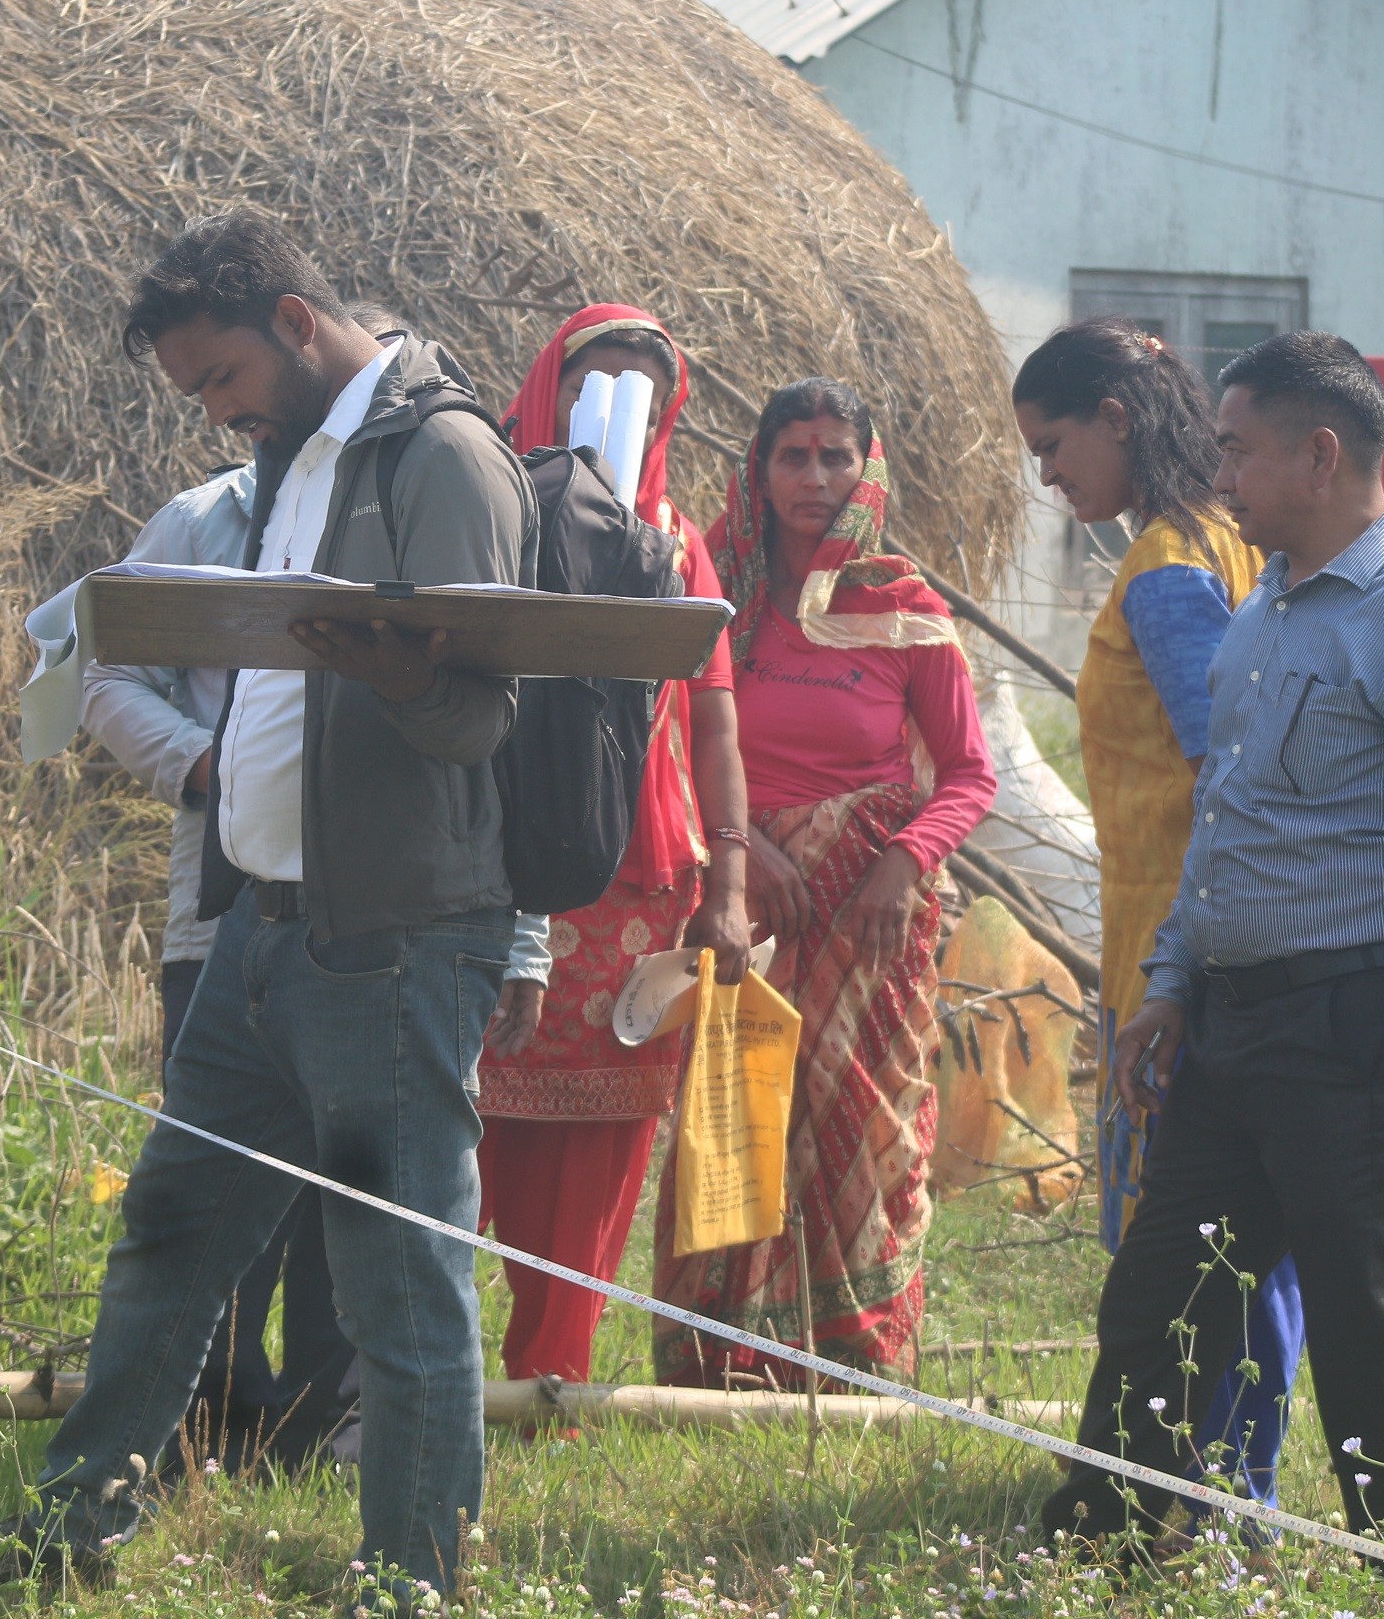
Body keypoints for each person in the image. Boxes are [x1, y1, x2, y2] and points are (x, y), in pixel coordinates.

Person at [0, 210, 532, 1594]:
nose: (215, 409)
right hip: (258, 928)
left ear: (298, 325)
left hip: (390, 945)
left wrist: (398, 675)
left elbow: (487, 727)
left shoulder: (444, 454)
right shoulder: (286, 460)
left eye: (221, 379)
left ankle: (411, 1581)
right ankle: (69, 1544)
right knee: (170, 1237)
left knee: (396, 1281)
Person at [1042, 332, 1384, 1549]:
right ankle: (1113, 1535)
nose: (1223, 477)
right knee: (1161, 1298)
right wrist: (1170, 984)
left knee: (1366, 1319)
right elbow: (1225, 826)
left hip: (1355, 1023)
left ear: (1321, 455)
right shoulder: (1261, 612)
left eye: (1240, 453)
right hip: (1231, 1023)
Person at [649, 377, 995, 1387]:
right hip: (739, 907)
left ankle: (855, 1364)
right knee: (733, 1118)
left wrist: (902, 862)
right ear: (759, 469)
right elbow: (671, 738)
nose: (814, 476)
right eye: (793, 456)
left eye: (835, 455)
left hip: (868, 923)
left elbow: (970, 776)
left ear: (866, 469)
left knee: (864, 1122)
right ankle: (719, 1367)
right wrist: (744, 846)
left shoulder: (906, 606)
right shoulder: (716, 596)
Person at [1009, 321, 1302, 1505]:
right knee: (1246, 1236)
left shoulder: (1174, 572)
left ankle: (1209, 1489)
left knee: (1192, 1241)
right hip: (1223, 937)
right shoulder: (1235, 542)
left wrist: (1175, 983)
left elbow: (1224, 768)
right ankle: (1228, 1486)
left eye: (1054, 444)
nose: (1048, 476)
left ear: (1117, 419)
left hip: (1183, 946)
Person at [477, 304, 750, 1384]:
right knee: (482, 1103)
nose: (621, 396)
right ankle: (474, 1361)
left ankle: (560, 1367)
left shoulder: (677, 542)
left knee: (605, 1132)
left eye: (646, 382)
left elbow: (716, 715)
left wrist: (726, 880)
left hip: (641, 875)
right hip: (508, 855)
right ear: (554, 383)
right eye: (601, 376)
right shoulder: (494, 505)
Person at [77, 456, 360, 1472]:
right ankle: (207, 1429)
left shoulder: (420, 505)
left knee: (355, 1182)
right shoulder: (202, 520)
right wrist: (205, 764)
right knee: (217, 1177)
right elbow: (105, 670)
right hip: (226, 909)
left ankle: (333, 1430)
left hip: (377, 920)